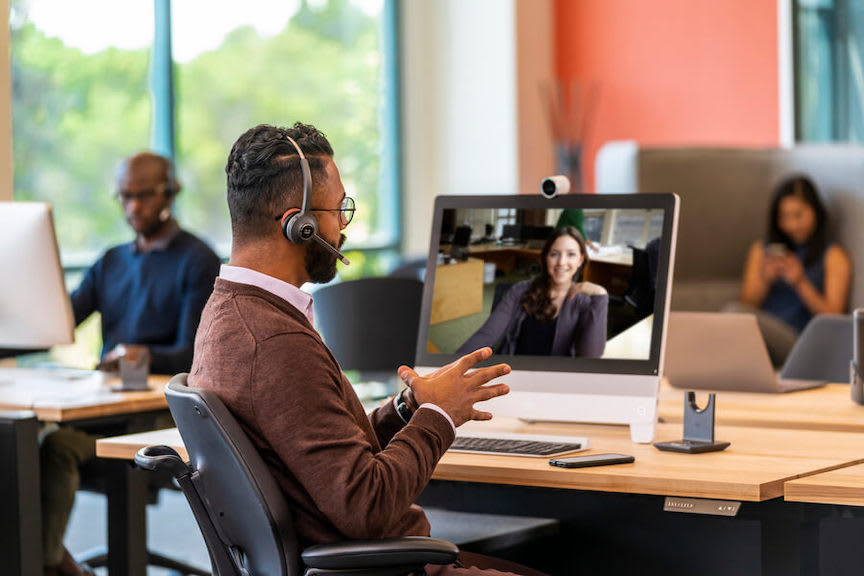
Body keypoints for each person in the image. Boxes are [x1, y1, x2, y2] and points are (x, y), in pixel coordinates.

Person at [189, 122, 549, 575]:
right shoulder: (275, 343)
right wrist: (439, 416)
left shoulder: (229, 314)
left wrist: (408, 407)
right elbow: (367, 506)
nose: (343, 225)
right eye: (338, 209)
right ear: (298, 225)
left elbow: (322, 455)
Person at [40, 152, 221, 576]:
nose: (133, 207)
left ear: (170, 194)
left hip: (157, 417)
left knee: (57, 448)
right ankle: (52, 561)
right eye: (124, 196)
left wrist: (143, 355)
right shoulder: (111, 262)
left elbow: (195, 355)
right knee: (20, 447)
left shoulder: (197, 260)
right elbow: (58, 323)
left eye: (143, 195)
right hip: (104, 409)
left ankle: (50, 566)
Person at [736, 175, 851, 366]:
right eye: (784, 217)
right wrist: (765, 280)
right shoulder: (761, 251)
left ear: (815, 211)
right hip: (763, 333)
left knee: (733, 314)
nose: (791, 225)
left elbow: (834, 320)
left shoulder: (834, 255)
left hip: (799, 341)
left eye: (798, 215)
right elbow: (746, 305)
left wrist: (800, 282)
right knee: (733, 317)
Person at [458, 227, 608, 357]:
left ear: (580, 260)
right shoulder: (519, 290)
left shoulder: (584, 302)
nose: (561, 262)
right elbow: (487, 335)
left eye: (571, 254)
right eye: (554, 254)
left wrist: (601, 297)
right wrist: (453, 366)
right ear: (545, 258)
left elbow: (590, 354)